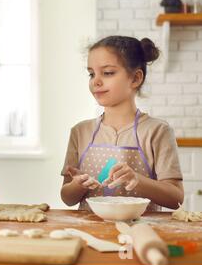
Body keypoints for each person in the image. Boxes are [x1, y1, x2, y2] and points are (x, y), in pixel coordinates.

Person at [60, 36, 184, 211]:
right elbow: (67, 198)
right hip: (90, 233)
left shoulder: (157, 131)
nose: (95, 81)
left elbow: (176, 198)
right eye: (91, 73)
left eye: (108, 73)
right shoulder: (80, 131)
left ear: (135, 78)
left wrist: (137, 180)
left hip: (141, 233)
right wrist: (78, 185)